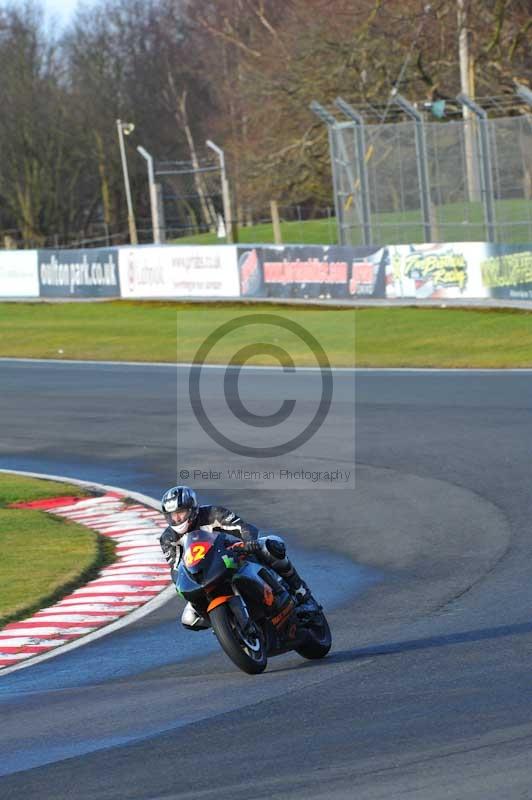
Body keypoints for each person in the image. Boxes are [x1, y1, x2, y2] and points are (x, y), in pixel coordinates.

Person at [159, 485, 317, 630]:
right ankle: (227, 626)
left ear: (192, 508)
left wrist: (249, 543)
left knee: (272, 545)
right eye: (172, 515)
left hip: (232, 555)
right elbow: (176, 567)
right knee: (188, 619)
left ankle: (302, 594)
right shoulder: (167, 539)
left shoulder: (212, 513)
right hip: (203, 574)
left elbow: (242, 527)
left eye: (181, 513)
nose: (177, 519)